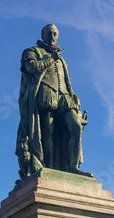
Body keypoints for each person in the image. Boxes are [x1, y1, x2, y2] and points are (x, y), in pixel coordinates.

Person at [16, 24, 88, 179]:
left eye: (55, 33)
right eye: (49, 33)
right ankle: (48, 168)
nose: (52, 36)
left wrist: (75, 98)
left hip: (64, 98)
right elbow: (31, 67)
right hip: (45, 96)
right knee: (47, 132)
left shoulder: (61, 59)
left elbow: (67, 81)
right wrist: (51, 59)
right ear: (43, 35)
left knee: (75, 127)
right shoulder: (32, 51)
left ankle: (73, 168)